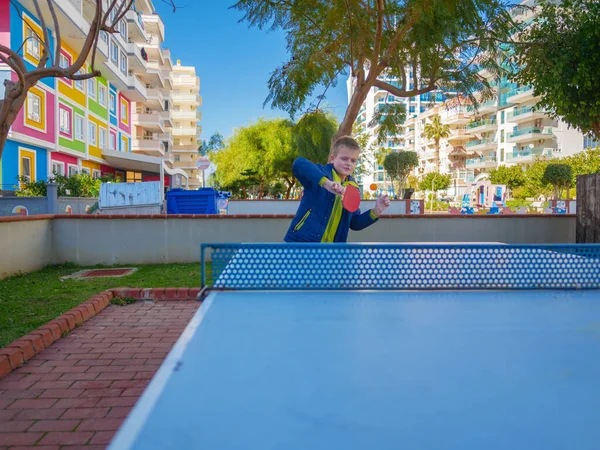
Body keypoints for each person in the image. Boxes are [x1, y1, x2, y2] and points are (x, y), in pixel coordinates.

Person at [284, 135, 390, 243]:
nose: (349, 163)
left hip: (332, 252)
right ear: (332, 159)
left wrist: (376, 211)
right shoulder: (319, 175)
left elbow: (354, 223)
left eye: (353, 160)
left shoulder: (353, 189)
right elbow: (299, 163)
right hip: (302, 244)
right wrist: (327, 184)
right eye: (344, 158)